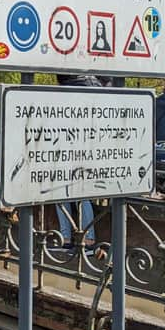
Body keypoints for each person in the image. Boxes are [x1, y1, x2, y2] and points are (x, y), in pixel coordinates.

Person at [54, 74, 98, 252]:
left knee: (60, 193)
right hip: (89, 148)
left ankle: (66, 238)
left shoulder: (66, 93)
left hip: (67, 148)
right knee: (81, 194)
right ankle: (87, 240)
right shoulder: (96, 86)